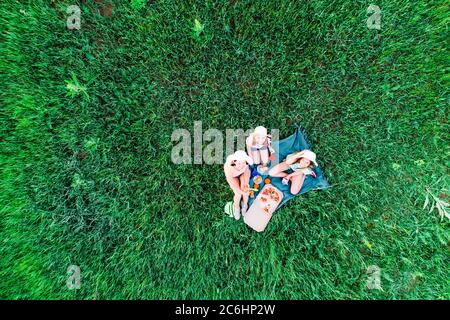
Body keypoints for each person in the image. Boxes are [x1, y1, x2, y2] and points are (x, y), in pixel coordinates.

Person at [223, 150, 253, 220]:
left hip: (242, 174)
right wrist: (242, 192)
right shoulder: (229, 168)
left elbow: (246, 171)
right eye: (239, 163)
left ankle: (245, 204)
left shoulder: (245, 165)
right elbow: (234, 186)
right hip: (232, 177)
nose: (242, 165)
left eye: (243, 162)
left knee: (245, 189)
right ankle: (236, 207)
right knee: (238, 193)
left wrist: (246, 183)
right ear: (234, 161)